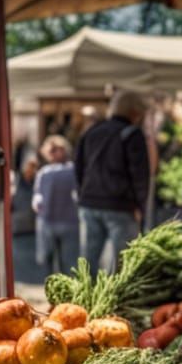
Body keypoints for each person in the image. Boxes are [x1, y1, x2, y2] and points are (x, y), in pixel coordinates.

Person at [74, 90, 150, 273]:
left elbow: (78, 168)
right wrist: (141, 207)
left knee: (88, 263)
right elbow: (140, 176)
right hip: (120, 206)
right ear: (134, 112)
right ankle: (117, 301)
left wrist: (82, 195)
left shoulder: (92, 131)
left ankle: (83, 300)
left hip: (89, 203)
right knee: (122, 266)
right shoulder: (132, 133)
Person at [33, 135, 79, 281]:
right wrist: (37, 203)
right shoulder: (43, 172)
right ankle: (53, 291)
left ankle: (69, 293)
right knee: (47, 261)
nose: (54, 153)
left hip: (69, 222)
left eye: (57, 149)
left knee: (69, 263)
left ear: (65, 150)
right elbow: (37, 194)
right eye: (51, 150)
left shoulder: (72, 170)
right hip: (47, 221)